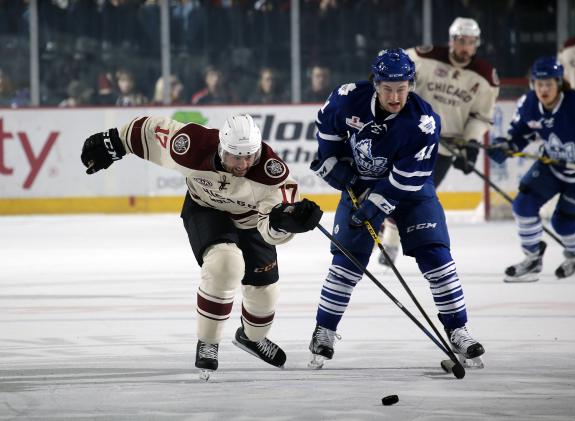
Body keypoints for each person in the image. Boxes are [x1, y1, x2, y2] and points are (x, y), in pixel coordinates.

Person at [79, 113, 323, 375]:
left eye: (249, 156)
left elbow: (270, 232)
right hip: (206, 210)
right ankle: (208, 342)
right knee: (224, 264)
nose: (242, 164)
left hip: (252, 222)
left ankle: (251, 338)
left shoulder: (273, 176)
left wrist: (284, 222)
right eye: (235, 156)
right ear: (221, 147)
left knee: (265, 295)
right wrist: (116, 141)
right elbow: (150, 131)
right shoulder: (192, 145)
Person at [308, 48, 485, 369]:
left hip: (411, 191)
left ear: (410, 85)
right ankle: (324, 330)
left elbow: (408, 180)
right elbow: (326, 136)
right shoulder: (347, 98)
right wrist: (332, 165)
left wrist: (375, 207)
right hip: (360, 185)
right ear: (375, 84)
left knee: (436, 256)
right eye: (388, 88)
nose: (394, 96)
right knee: (346, 262)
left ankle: (458, 329)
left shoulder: (424, 121)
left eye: (401, 88)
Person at [487, 57, 575, 282]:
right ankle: (533, 259)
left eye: (549, 84)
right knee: (523, 205)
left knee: (563, 223)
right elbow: (521, 133)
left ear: (559, 83)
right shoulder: (529, 104)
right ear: (532, 84)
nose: (543, 89)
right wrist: (507, 146)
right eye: (539, 84)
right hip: (552, 166)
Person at [378, 17, 500, 266]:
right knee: (392, 189)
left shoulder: (485, 76)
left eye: (470, 43)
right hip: (409, 137)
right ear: (451, 40)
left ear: (477, 44)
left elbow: (481, 116)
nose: (465, 48)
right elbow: (393, 63)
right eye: (461, 41)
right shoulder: (425, 57)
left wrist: (471, 144)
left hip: (444, 149)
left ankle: (390, 240)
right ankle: (389, 241)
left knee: (411, 194)